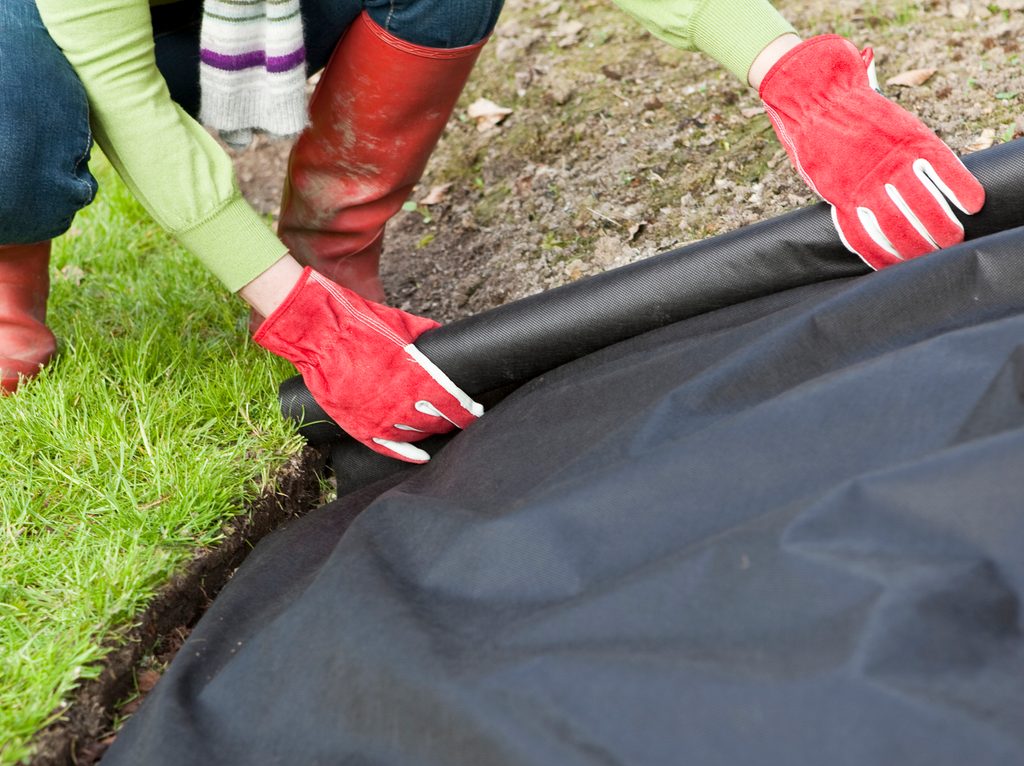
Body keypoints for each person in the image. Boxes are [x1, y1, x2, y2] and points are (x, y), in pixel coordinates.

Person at [1, 0, 984, 462]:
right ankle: (10, 294)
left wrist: (792, 73)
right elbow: (136, 112)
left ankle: (335, 250)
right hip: (52, 32)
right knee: (15, 105)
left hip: (245, 17)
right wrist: (299, 323)